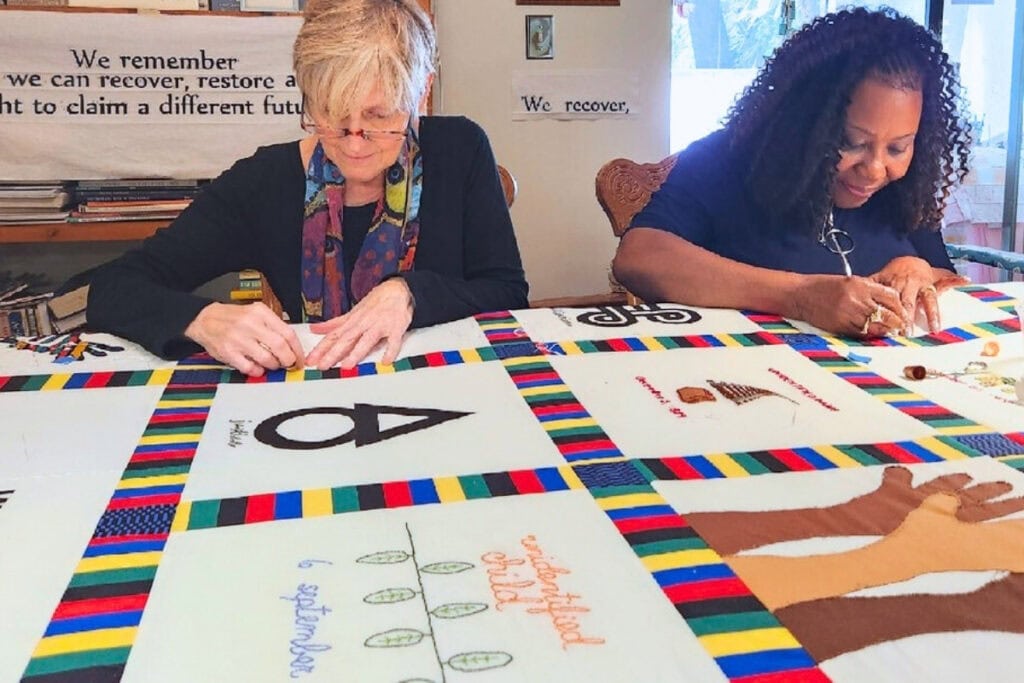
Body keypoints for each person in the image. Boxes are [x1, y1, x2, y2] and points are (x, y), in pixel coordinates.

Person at [85, 0, 527, 376]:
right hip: (316, 400)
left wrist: (409, 292)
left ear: (421, 93)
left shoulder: (461, 148)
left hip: (451, 387)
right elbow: (113, 287)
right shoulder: (263, 182)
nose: (354, 142)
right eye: (332, 114)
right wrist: (201, 319)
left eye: (379, 117)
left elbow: (507, 292)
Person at [612, 8, 971, 338]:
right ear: (804, 121)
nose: (875, 169)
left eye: (898, 148)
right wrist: (799, 296)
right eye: (851, 142)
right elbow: (639, 256)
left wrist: (918, 268)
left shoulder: (909, 188)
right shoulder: (729, 159)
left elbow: (948, 280)